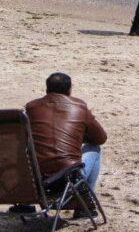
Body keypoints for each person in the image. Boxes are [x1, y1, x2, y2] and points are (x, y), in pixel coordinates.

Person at [26, 72, 107, 218]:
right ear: (69, 90)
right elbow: (100, 138)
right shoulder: (79, 106)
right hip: (68, 176)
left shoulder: (31, 108)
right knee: (94, 149)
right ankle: (84, 205)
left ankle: (24, 205)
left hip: (36, 177)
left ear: (47, 89)